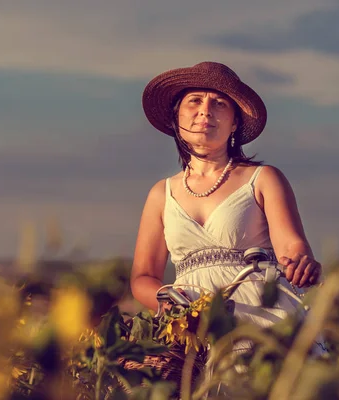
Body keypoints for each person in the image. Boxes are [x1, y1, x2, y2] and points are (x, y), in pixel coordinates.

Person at [130, 61, 325, 351]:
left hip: (263, 321)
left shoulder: (262, 178)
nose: (205, 111)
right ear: (177, 116)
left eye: (219, 103)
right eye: (194, 101)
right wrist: (171, 302)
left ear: (234, 122)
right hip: (194, 330)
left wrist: (302, 265)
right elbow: (143, 277)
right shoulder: (162, 193)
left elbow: (292, 249)